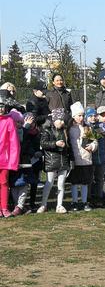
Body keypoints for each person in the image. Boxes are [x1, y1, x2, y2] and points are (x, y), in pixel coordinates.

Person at [38, 108, 70, 214]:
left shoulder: (65, 131)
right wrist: (55, 144)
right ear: (54, 119)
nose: (61, 122)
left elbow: (69, 147)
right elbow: (43, 143)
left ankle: (59, 205)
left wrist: (70, 159)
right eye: (59, 119)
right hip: (51, 161)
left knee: (61, 184)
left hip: (63, 161)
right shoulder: (47, 130)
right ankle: (43, 204)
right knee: (49, 183)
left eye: (63, 120)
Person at [68, 103, 98, 212]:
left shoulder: (87, 128)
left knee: (85, 182)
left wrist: (92, 146)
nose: (81, 118)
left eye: (82, 115)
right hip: (75, 160)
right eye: (79, 115)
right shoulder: (70, 129)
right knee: (75, 182)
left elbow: (94, 141)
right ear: (74, 116)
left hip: (86, 160)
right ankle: (75, 202)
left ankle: (84, 202)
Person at [25, 80, 50, 211]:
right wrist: (47, 117)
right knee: (31, 172)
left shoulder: (44, 100)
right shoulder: (32, 102)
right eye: (42, 90)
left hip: (41, 134)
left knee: (37, 171)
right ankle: (27, 201)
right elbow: (33, 118)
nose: (44, 93)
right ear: (35, 91)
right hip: (34, 136)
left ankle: (33, 201)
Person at [0, 102, 21, 217]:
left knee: (3, 183)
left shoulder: (9, 121)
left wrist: (13, 161)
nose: (1, 109)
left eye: (2, 106)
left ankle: (4, 207)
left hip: (4, 159)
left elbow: (14, 142)